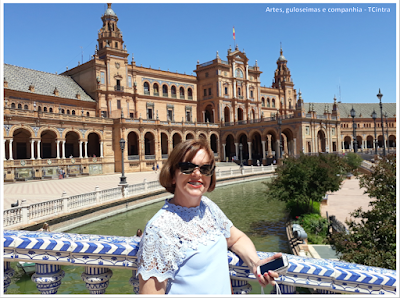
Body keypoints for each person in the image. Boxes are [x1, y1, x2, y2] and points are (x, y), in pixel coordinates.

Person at [136, 139, 281, 295]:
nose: (197, 174)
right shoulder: (159, 229)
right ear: (172, 175)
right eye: (187, 167)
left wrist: (256, 264)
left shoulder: (208, 208)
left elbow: (236, 238)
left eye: (205, 169)